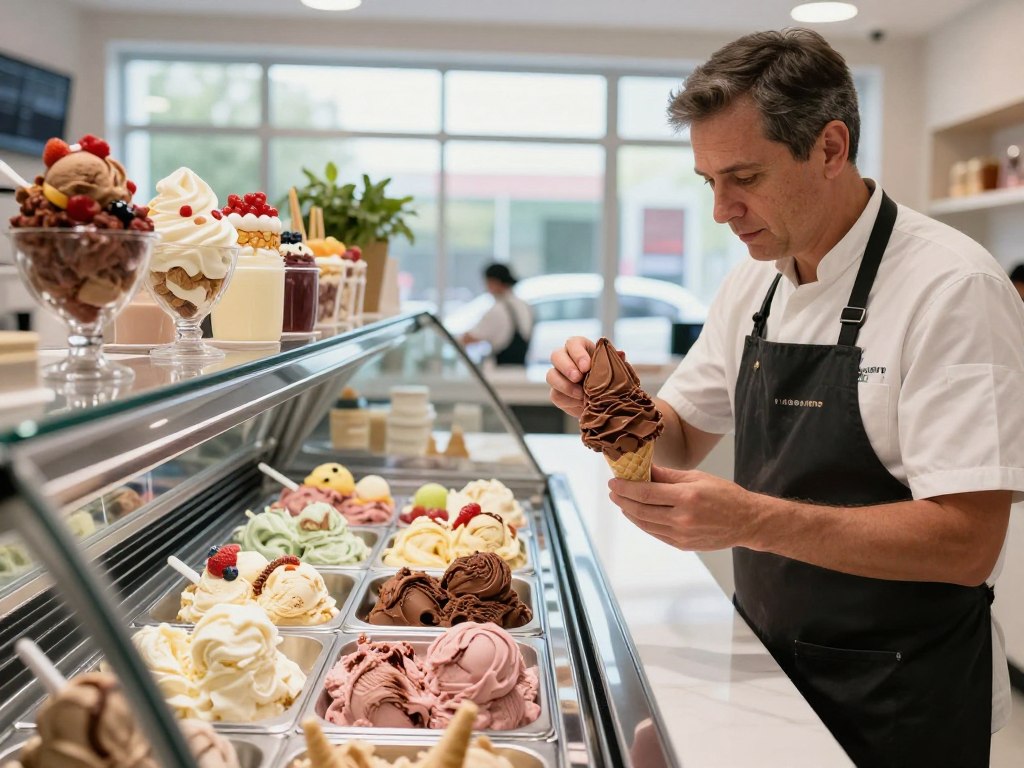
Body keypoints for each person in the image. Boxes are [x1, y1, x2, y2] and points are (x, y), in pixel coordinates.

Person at [547, 28, 1024, 768]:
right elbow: (675, 436)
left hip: (901, 702)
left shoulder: (952, 287)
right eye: (708, 181)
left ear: (830, 148)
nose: (721, 210)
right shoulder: (755, 279)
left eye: (744, 177)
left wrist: (752, 520)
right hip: (770, 665)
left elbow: (968, 544)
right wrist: (603, 405)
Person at [459, 263, 533, 366]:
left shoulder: (497, 310)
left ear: (494, 282)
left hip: (500, 373)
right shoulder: (525, 306)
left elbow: (469, 338)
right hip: (522, 371)